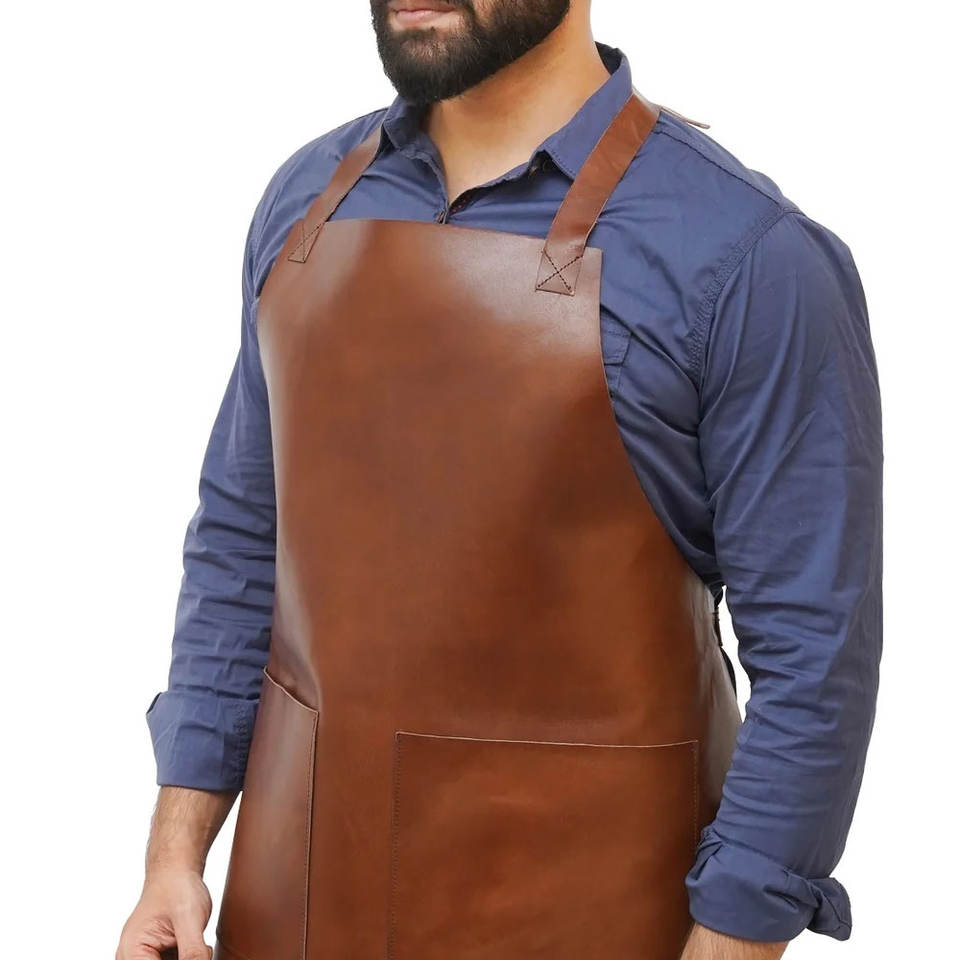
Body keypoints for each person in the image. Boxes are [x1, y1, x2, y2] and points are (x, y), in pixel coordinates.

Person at [116, 2, 883, 959]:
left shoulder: (749, 258)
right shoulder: (306, 200)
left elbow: (816, 660)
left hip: (599, 919)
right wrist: (174, 858)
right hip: (300, 907)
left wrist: (735, 938)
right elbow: (241, 539)